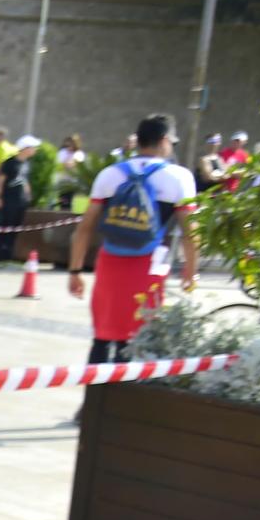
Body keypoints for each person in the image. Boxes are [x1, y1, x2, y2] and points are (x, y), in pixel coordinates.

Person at [68, 112, 198, 365]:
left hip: (110, 262)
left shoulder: (110, 174)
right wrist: (190, 272)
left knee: (102, 337)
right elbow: (190, 233)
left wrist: (75, 270)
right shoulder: (178, 177)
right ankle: (126, 399)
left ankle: (96, 399)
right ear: (163, 141)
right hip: (148, 266)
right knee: (139, 338)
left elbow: (84, 229)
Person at [0, 135, 40, 261]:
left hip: (20, 201)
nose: (35, 150)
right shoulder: (9, 163)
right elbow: (0, 181)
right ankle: (0, 256)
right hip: (8, 200)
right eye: (33, 147)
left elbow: (25, 180)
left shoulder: (26, 164)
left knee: (16, 228)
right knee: (6, 226)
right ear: (25, 148)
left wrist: (28, 195)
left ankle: (9, 255)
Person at [55, 133, 87, 210]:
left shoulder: (79, 154)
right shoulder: (63, 152)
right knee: (63, 200)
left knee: (69, 199)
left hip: (72, 182)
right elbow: (62, 164)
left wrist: (69, 163)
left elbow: (75, 164)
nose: (69, 146)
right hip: (63, 180)